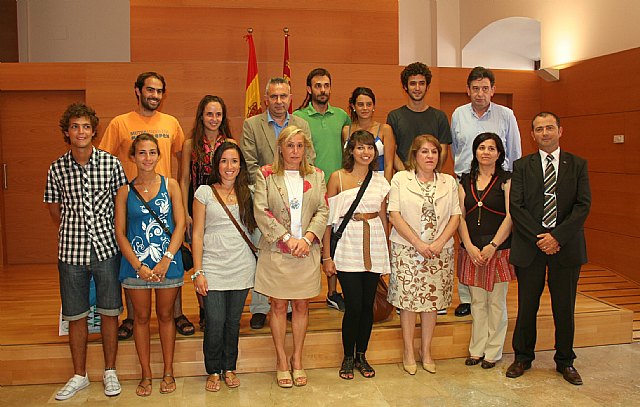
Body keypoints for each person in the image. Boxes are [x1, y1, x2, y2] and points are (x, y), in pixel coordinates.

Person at [99, 71, 194, 339]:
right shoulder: (120, 123)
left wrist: (184, 208)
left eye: (159, 91)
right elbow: (104, 161)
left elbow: (181, 165)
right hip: (132, 204)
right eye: (149, 90)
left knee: (171, 259)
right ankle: (132, 317)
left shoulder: (171, 123)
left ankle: (176, 313)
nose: (154, 95)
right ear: (138, 91)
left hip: (164, 203)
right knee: (133, 258)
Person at [44, 103, 127, 400]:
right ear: (67, 132)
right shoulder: (56, 168)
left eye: (86, 127)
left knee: (109, 312)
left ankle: (110, 371)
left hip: (106, 250)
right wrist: (75, 232)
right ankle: (79, 375)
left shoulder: (112, 164)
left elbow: (120, 208)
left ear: (94, 131)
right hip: (70, 253)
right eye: (75, 127)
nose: (81, 132)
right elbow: (55, 212)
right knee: (76, 315)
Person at [506, 112, 591, 385]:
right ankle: (522, 357)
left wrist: (557, 237)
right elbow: (516, 207)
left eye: (550, 128)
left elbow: (582, 205)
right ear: (532, 134)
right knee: (527, 305)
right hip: (531, 247)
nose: (545, 133)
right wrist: (541, 238)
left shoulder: (577, 164)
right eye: (539, 129)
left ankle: (565, 361)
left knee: (564, 307)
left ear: (560, 131)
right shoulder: (521, 166)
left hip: (565, 247)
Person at [253, 125, 329, 388]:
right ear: (280, 148)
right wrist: (288, 239)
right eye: (290, 145)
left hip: (306, 251)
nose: (295, 151)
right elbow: (261, 211)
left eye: (300, 146)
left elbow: (322, 211)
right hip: (277, 251)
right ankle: (281, 361)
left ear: (305, 148)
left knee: (301, 306)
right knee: (276, 306)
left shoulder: (318, 175)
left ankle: (297, 360)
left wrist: (307, 238)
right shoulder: (265, 174)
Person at [114, 133, 186, 396]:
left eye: (152, 152)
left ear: (159, 155)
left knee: (167, 316)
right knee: (141, 319)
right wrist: (138, 265)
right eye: (141, 153)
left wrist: (166, 258)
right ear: (132, 157)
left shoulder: (172, 185)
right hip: (136, 267)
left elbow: (180, 225)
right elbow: (120, 232)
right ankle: (146, 374)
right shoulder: (124, 191)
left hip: (168, 262)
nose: (147, 158)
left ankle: (168, 371)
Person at [241, 77, 314, 329]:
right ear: (266, 99)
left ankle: (293, 304)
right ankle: (261, 307)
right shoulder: (252, 125)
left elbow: (309, 159)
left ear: (290, 98)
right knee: (266, 252)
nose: (279, 101)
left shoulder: (302, 123)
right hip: (264, 197)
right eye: (274, 97)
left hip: (296, 198)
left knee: (294, 251)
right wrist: (268, 182)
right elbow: (248, 163)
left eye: (284, 96)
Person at [451, 66, 522, 317]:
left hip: (498, 182)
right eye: (475, 89)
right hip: (467, 181)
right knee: (466, 237)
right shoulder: (458, 114)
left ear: (493, 90)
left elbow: (514, 152)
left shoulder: (506, 115)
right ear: (468, 90)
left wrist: (511, 183)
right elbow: (456, 151)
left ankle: (493, 290)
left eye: (485, 88)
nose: (480, 94)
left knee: (494, 235)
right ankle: (467, 298)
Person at [387, 135, 461, 375]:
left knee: (432, 303)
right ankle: (408, 350)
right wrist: (418, 243)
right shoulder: (400, 179)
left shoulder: (448, 182)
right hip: (407, 249)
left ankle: (426, 350)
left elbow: (455, 216)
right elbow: (394, 215)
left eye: (434, 152)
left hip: (439, 251)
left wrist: (439, 242)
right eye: (424, 152)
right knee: (408, 303)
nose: (430, 156)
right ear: (415, 155)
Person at [322, 130, 391, 380]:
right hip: (347, 246)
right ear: (351, 150)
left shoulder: (381, 181)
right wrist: (327, 257)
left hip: (373, 245)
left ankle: (362, 354)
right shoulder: (337, 178)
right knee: (353, 306)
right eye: (360, 147)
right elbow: (328, 223)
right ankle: (348, 356)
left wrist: (388, 252)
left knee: (366, 306)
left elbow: (383, 218)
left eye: (370, 147)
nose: (366, 152)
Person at [191, 142, 257, 392]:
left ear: (240, 166)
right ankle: (213, 369)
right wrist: (198, 271)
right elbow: (197, 234)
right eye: (224, 161)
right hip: (213, 267)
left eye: (234, 161)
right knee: (215, 321)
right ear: (216, 164)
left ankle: (230, 367)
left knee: (233, 321)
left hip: (241, 266)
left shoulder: (248, 192)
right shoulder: (204, 193)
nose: (229, 167)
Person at [457, 133, 516, 369]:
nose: (486, 152)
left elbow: (511, 216)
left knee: (496, 303)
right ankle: (476, 349)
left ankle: (493, 351)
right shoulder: (464, 180)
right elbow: (459, 216)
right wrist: (469, 246)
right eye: (481, 148)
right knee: (478, 302)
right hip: (471, 250)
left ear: (499, 154)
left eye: (492, 148)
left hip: (499, 249)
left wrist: (493, 246)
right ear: (475, 152)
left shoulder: (507, 179)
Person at [294, 67, 350, 312]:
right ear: (309, 89)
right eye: (317, 86)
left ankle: (332, 292)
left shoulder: (341, 116)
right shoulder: (298, 117)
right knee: (307, 238)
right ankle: (299, 293)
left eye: (326, 85)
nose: (323, 90)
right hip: (308, 189)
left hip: (338, 190)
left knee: (334, 242)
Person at [179, 95, 234, 332]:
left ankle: (221, 308)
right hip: (197, 211)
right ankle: (204, 309)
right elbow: (183, 180)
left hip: (221, 211)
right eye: (209, 114)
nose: (214, 119)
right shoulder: (190, 144)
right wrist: (184, 212)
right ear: (201, 115)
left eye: (218, 114)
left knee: (219, 258)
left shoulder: (230, 142)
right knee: (200, 262)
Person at [386, 62, 452, 171]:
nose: (417, 88)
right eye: (412, 83)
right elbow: (392, 151)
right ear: (405, 87)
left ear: (427, 87)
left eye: (421, 83)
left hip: (431, 177)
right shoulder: (394, 117)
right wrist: (406, 177)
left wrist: (431, 173)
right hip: (404, 178)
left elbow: (443, 151)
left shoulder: (439, 117)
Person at [341, 87, 396, 182]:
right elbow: (346, 162)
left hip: (379, 181)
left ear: (374, 106)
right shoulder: (346, 130)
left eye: (369, 104)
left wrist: (386, 190)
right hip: (353, 182)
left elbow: (389, 165)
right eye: (360, 105)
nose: (365, 108)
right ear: (353, 106)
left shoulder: (385, 130)